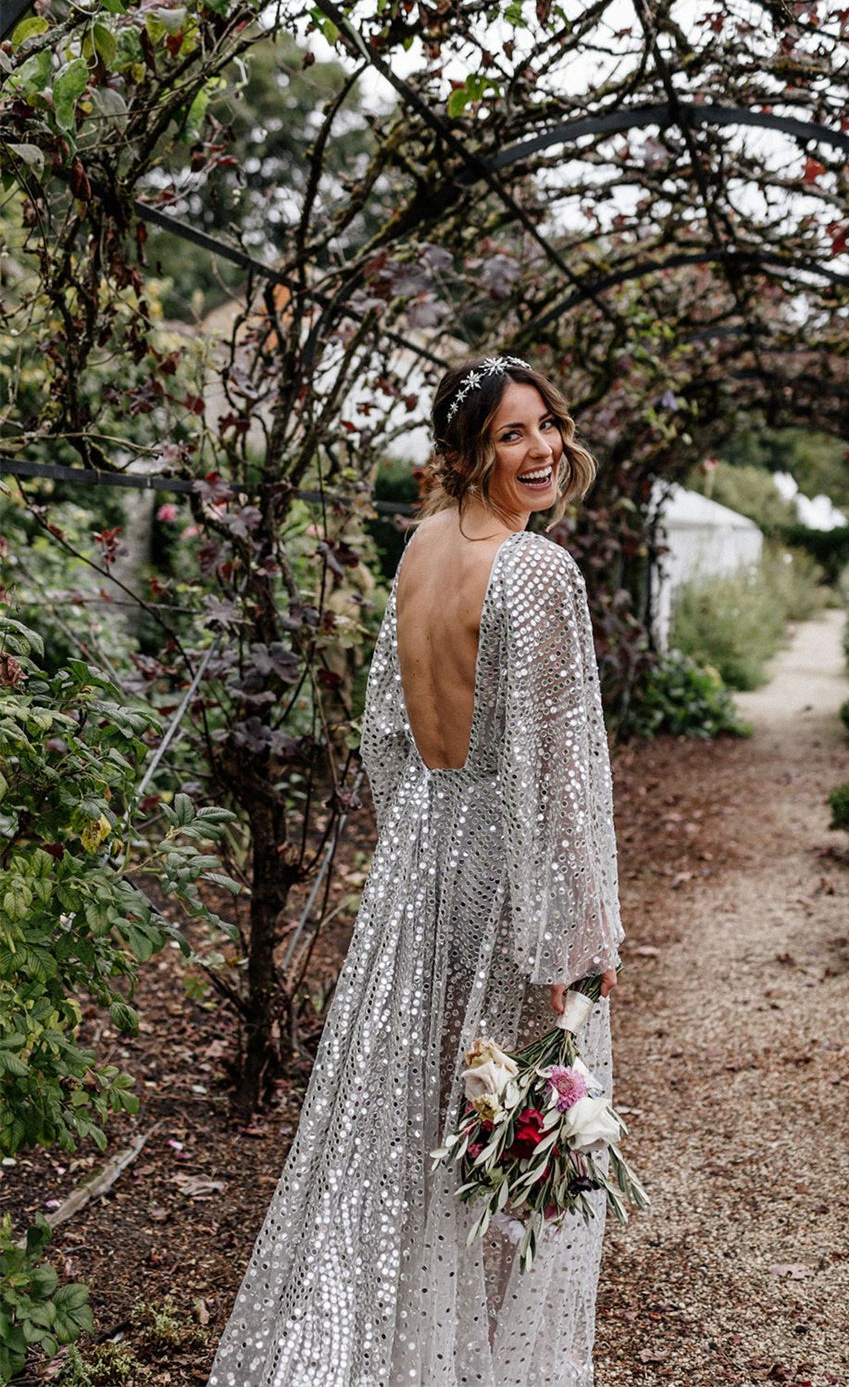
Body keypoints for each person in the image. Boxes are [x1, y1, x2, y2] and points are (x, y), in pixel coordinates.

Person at [208, 355, 625, 1387]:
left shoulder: (420, 548)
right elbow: (557, 770)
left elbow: (386, 736)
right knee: (507, 1124)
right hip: (498, 871)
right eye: (509, 437)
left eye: (546, 427)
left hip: (417, 863)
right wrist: (576, 939)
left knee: (415, 1120)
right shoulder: (538, 573)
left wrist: (418, 853)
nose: (540, 451)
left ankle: (396, 1348)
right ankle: (468, 1364)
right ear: (467, 454)